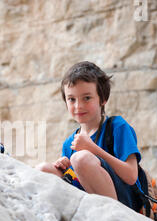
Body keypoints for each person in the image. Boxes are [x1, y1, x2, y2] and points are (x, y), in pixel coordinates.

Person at [37, 61, 142, 211]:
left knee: (81, 159)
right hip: (85, 203)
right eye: (72, 99)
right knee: (43, 169)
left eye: (86, 98)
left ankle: (113, 217)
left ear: (103, 98)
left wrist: (92, 149)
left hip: (122, 204)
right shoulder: (70, 143)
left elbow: (131, 176)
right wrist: (63, 165)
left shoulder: (117, 127)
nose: (78, 106)